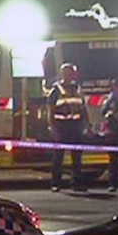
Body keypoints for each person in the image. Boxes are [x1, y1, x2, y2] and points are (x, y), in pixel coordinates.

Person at [47, 62, 89, 192]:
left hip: (75, 126)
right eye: (69, 72)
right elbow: (51, 110)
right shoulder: (56, 90)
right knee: (58, 156)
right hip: (61, 127)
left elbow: (82, 108)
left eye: (73, 72)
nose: (71, 75)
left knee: (76, 156)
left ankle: (77, 182)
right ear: (63, 74)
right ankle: (56, 183)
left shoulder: (77, 88)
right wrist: (53, 128)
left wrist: (86, 124)